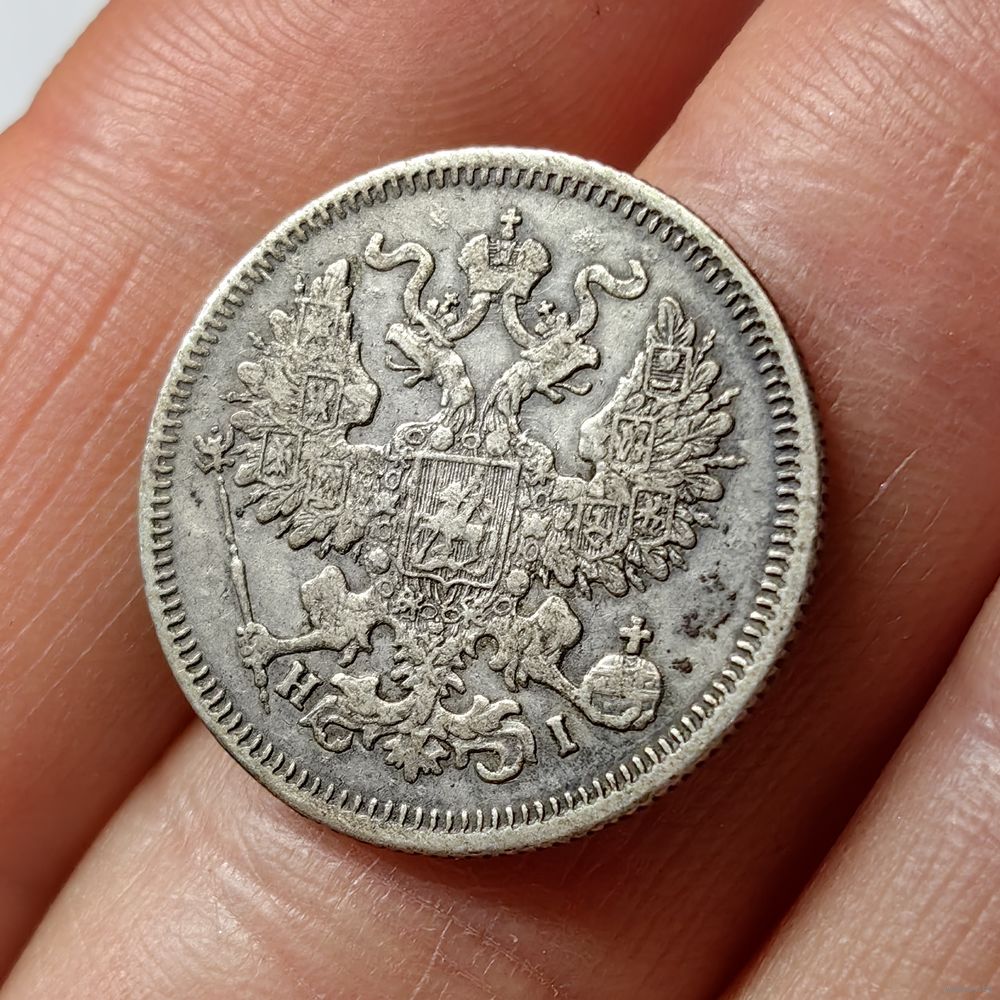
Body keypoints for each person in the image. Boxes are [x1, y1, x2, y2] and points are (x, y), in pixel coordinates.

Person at [0, 0, 997, 996]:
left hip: (485, 665)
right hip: (416, 653)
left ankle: (326, 654)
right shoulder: (434, 444)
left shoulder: (485, 452)